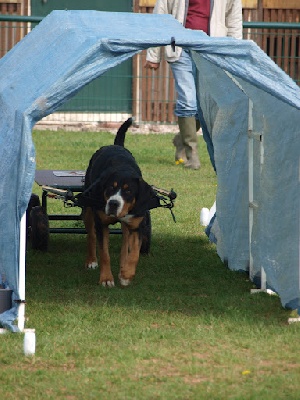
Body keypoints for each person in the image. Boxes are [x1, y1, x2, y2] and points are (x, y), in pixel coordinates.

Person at [145, 0, 243, 170]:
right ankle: (192, 155)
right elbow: (159, 15)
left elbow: (234, 20)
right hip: (180, 47)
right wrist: (153, 55)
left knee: (205, 105)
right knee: (188, 100)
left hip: (210, 49)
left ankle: (181, 139)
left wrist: (234, 53)